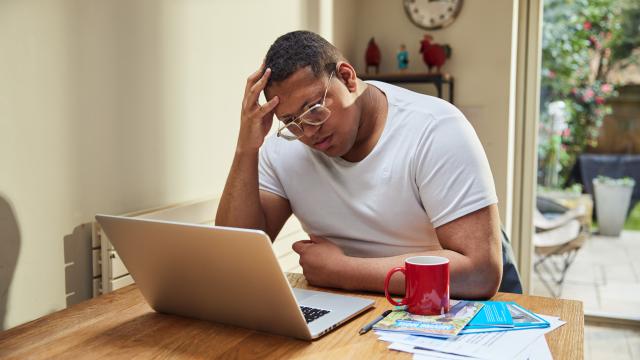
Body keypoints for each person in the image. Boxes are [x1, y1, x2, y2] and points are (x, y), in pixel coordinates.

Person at [215, 31, 503, 299]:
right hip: (352, 306)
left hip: (435, 308)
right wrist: (246, 148)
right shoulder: (287, 144)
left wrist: (342, 271)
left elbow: (480, 273)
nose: (309, 132)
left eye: (314, 109)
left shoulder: (435, 129)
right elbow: (233, 259)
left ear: (347, 77)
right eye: (291, 122)